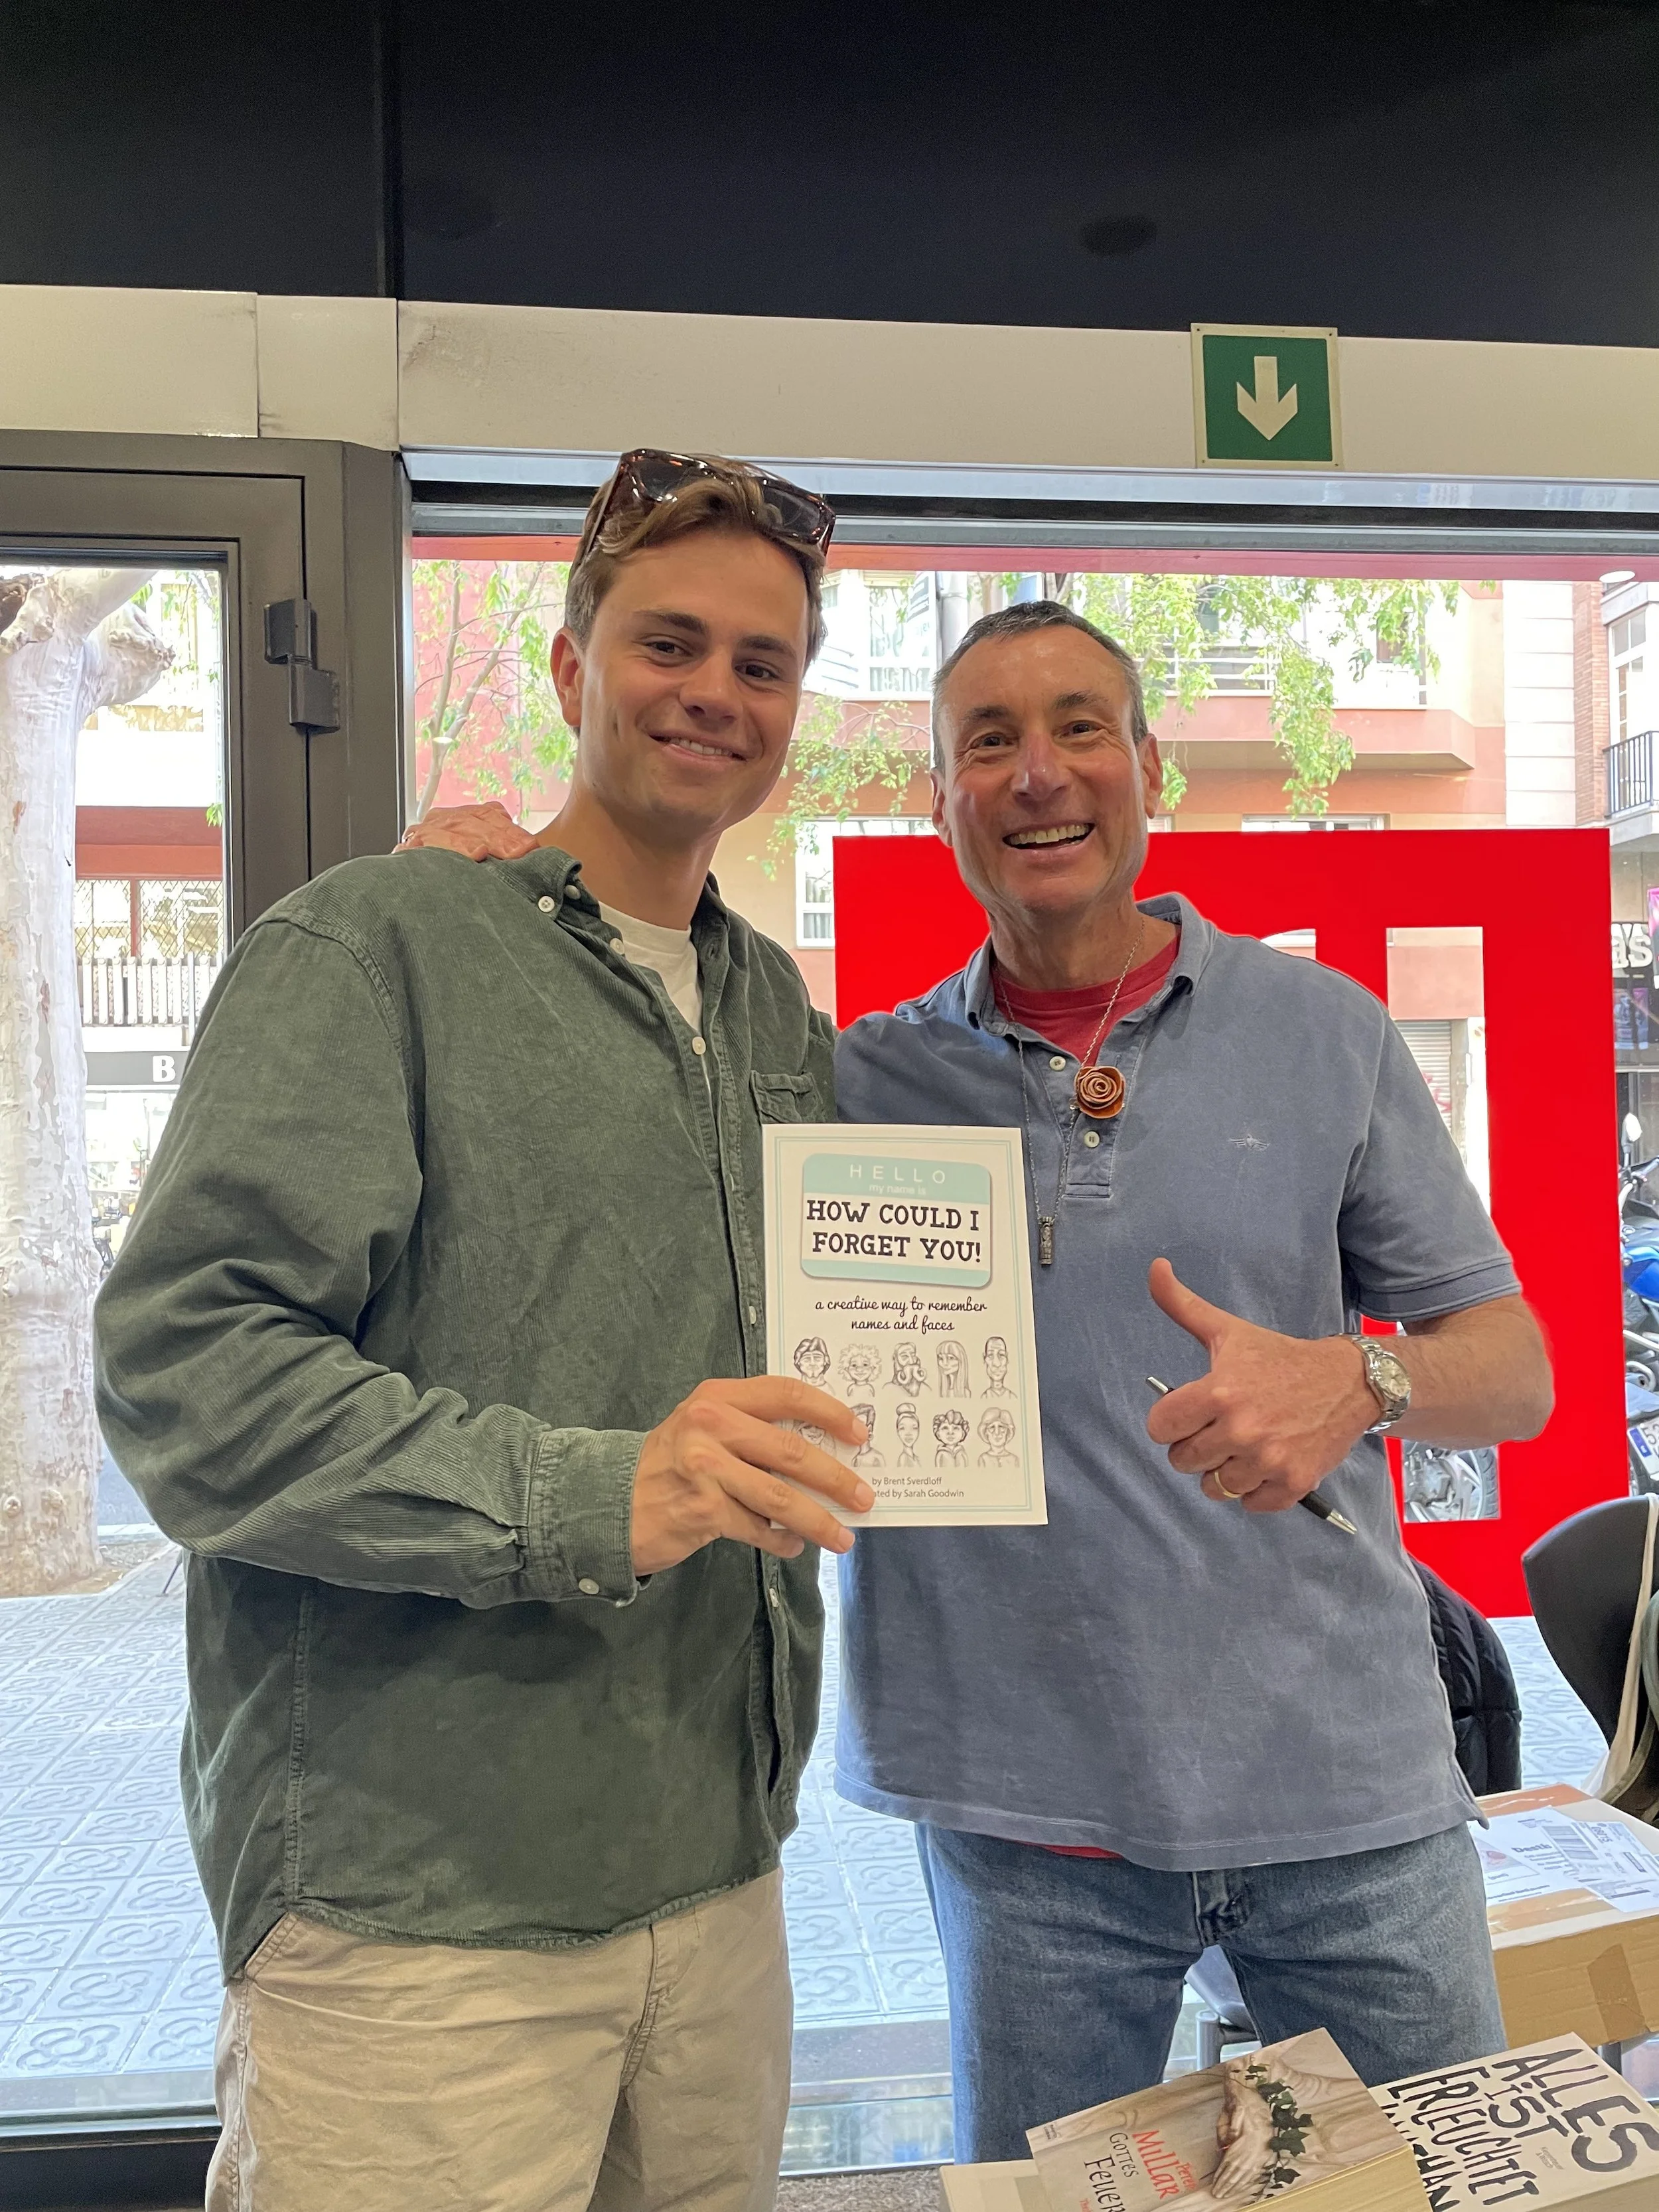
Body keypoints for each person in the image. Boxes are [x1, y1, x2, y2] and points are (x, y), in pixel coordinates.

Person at [92, 449, 870, 2212]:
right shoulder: (376, 946)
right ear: (569, 664)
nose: (714, 693)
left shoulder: (772, 1014)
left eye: (763, 664)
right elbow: (187, 1379)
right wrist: (593, 1492)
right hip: (421, 1907)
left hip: (720, 1878)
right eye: (669, 642)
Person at [831, 600, 1553, 2158]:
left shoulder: (1324, 1035)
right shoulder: (857, 1083)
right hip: (1026, 1818)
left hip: (1348, 1795)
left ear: (1147, 766)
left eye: (1080, 726)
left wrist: (1355, 1380)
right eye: (990, 740)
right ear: (935, 798)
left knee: (1443, 2190)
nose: (1040, 773)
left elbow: (1514, 1372)